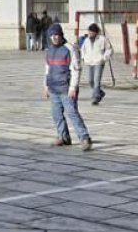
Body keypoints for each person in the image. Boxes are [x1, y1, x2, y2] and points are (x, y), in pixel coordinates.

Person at [44, 23, 92, 151]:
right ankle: (64, 137)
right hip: (54, 88)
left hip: (66, 89)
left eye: (56, 35)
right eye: (52, 35)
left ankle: (84, 138)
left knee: (72, 113)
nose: (54, 37)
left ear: (61, 35)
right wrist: (46, 85)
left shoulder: (70, 49)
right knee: (56, 114)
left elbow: (76, 69)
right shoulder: (49, 50)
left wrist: (73, 87)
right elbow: (48, 69)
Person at [80, 23, 113, 105]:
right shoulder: (86, 40)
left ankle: (96, 98)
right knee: (90, 81)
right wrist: (83, 57)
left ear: (96, 32)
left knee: (96, 80)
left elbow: (109, 49)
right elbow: (83, 50)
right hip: (89, 62)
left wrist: (104, 58)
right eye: (89, 32)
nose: (90, 33)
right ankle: (100, 92)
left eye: (91, 32)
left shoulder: (102, 39)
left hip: (99, 62)